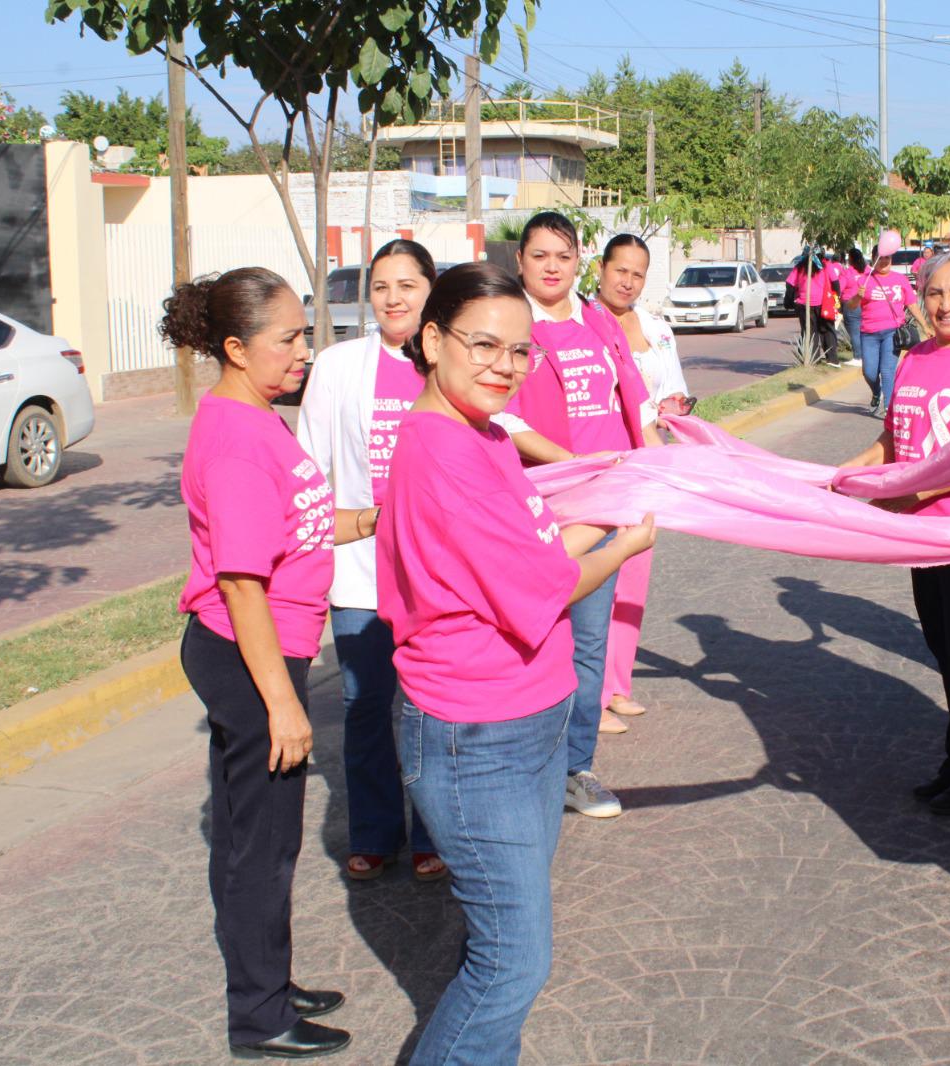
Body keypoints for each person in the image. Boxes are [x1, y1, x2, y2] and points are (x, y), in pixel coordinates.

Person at [378, 263, 656, 1064]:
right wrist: (625, 541)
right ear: (432, 341)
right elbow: (551, 581)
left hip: (528, 722)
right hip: (477, 740)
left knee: (504, 943)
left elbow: (537, 549)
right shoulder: (443, 451)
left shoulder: (484, 435)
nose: (504, 364)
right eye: (484, 345)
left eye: (520, 351)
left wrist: (605, 512)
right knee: (513, 961)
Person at [167, 267, 359, 1059]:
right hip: (250, 656)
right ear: (238, 348)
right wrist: (284, 703)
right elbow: (243, 584)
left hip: (248, 649)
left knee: (248, 837)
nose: (303, 351)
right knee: (263, 845)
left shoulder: (249, 415)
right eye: (289, 338)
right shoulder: (241, 442)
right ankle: (259, 1015)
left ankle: (266, 980)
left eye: (305, 333)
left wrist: (383, 514)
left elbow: (301, 528)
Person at [837, 250, 950, 816]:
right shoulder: (915, 357)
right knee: (946, 652)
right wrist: (845, 476)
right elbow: (892, 443)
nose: (945, 304)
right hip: (922, 538)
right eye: (934, 293)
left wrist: (914, 494)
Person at [495, 211, 663, 820]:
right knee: (531, 639)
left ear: (577, 262)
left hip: (605, 509)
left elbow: (636, 403)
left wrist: (658, 477)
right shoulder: (510, 326)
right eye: (539, 255)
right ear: (521, 261)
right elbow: (504, 419)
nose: (551, 266)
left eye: (562, 256)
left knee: (589, 644)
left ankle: (575, 768)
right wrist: (573, 463)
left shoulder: (599, 324)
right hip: (538, 509)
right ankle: (522, 767)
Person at [296, 239, 446, 884]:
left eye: (406, 285)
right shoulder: (337, 365)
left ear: (430, 291)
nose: (392, 298)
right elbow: (308, 462)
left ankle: (434, 831)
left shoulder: (449, 363)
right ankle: (376, 832)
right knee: (365, 704)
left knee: (429, 706)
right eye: (381, 286)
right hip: (359, 568)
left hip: (436, 571)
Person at [594, 232, 689, 729]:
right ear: (600, 269)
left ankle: (618, 685)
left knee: (632, 579)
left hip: (648, 468)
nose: (627, 282)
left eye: (637, 273)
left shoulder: (657, 329)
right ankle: (591, 695)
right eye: (619, 271)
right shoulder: (583, 325)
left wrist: (677, 414)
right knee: (595, 583)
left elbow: (674, 392)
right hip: (599, 471)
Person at [856, 229, 920, 416]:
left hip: (892, 331)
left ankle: (888, 407)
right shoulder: (864, 280)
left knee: (887, 370)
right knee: (869, 371)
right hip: (868, 333)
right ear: (874, 259)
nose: (884, 262)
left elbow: (912, 304)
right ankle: (876, 393)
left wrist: (926, 325)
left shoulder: (900, 279)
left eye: (888, 259)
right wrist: (856, 296)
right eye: (881, 258)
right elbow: (851, 306)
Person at [785, 248, 838, 362]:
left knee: (809, 332)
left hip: (804, 304)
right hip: (822, 303)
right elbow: (835, 282)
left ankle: (813, 359)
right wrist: (836, 298)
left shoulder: (799, 267)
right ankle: (832, 359)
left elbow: (790, 285)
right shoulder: (825, 265)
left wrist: (788, 302)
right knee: (826, 330)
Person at [839, 247, 867, 361]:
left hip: (850, 304)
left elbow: (839, 288)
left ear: (850, 259)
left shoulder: (847, 273)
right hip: (865, 303)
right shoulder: (867, 271)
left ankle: (858, 357)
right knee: (865, 331)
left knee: (854, 332)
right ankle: (866, 355)